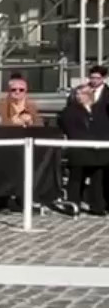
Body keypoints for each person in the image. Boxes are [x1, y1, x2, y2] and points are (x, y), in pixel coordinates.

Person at [60, 81, 109, 215]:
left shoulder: (99, 111)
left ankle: (98, 205)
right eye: (79, 93)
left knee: (98, 176)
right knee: (76, 177)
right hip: (79, 149)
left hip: (98, 150)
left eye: (86, 93)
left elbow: (103, 129)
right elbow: (72, 130)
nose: (81, 96)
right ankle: (73, 204)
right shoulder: (69, 111)